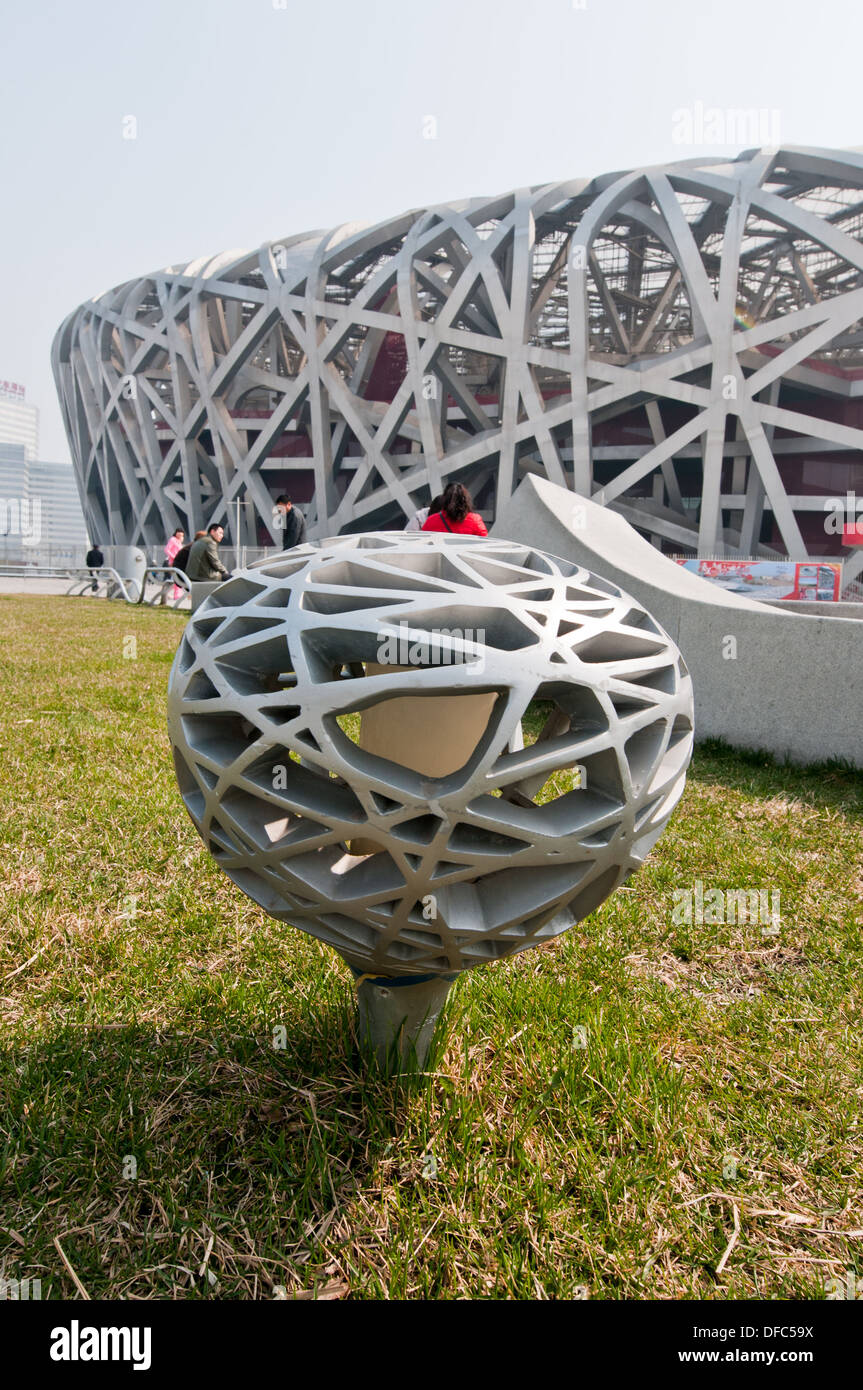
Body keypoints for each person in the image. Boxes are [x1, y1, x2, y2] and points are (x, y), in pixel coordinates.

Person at [421, 483, 488, 536]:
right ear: (466, 500)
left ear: (444, 500)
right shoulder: (475, 520)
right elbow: (484, 543)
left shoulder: (431, 520)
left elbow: (423, 543)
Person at [164, 527, 184, 600]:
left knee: (176, 578)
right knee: (176, 578)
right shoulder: (172, 540)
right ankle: (175, 594)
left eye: (181, 534)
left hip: (178, 562)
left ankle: (175, 594)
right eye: (179, 533)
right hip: (173, 562)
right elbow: (167, 549)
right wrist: (173, 557)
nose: (180, 535)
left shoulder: (179, 542)